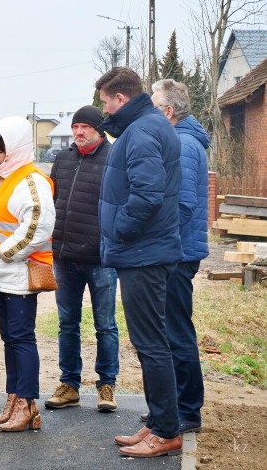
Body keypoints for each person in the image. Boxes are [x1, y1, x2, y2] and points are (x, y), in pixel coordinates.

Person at [96, 67, 184, 458]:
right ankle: (157, 422)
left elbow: (147, 196)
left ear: (121, 99)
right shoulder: (145, 125)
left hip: (145, 253)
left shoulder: (144, 131)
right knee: (150, 342)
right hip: (146, 251)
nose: (104, 110)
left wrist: (119, 231)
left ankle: (166, 431)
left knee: (152, 344)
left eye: (105, 102)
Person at [0, 117, 54, 432]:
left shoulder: (31, 180)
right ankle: (14, 398)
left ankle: (28, 403)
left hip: (17, 274)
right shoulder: (5, 179)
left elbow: (38, 226)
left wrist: (5, 254)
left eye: (1, 149)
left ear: (16, 149)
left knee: (21, 338)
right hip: (0, 274)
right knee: (10, 339)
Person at [44, 106, 119, 413]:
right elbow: (51, 204)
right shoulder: (62, 161)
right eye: (75, 127)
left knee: (105, 325)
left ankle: (107, 385)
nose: (78, 132)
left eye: (85, 127)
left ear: (99, 130)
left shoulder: (114, 159)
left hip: (101, 259)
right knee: (67, 324)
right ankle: (69, 385)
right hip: (65, 257)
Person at [150, 79, 209, 435]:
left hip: (177, 253)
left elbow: (182, 206)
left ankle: (187, 411)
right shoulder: (181, 139)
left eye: (154, 108)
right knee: (169, 331)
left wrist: (157, 242)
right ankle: (172, 408)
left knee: (176, 332)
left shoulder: (184, 144)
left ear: (168, 112)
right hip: (176, 250)